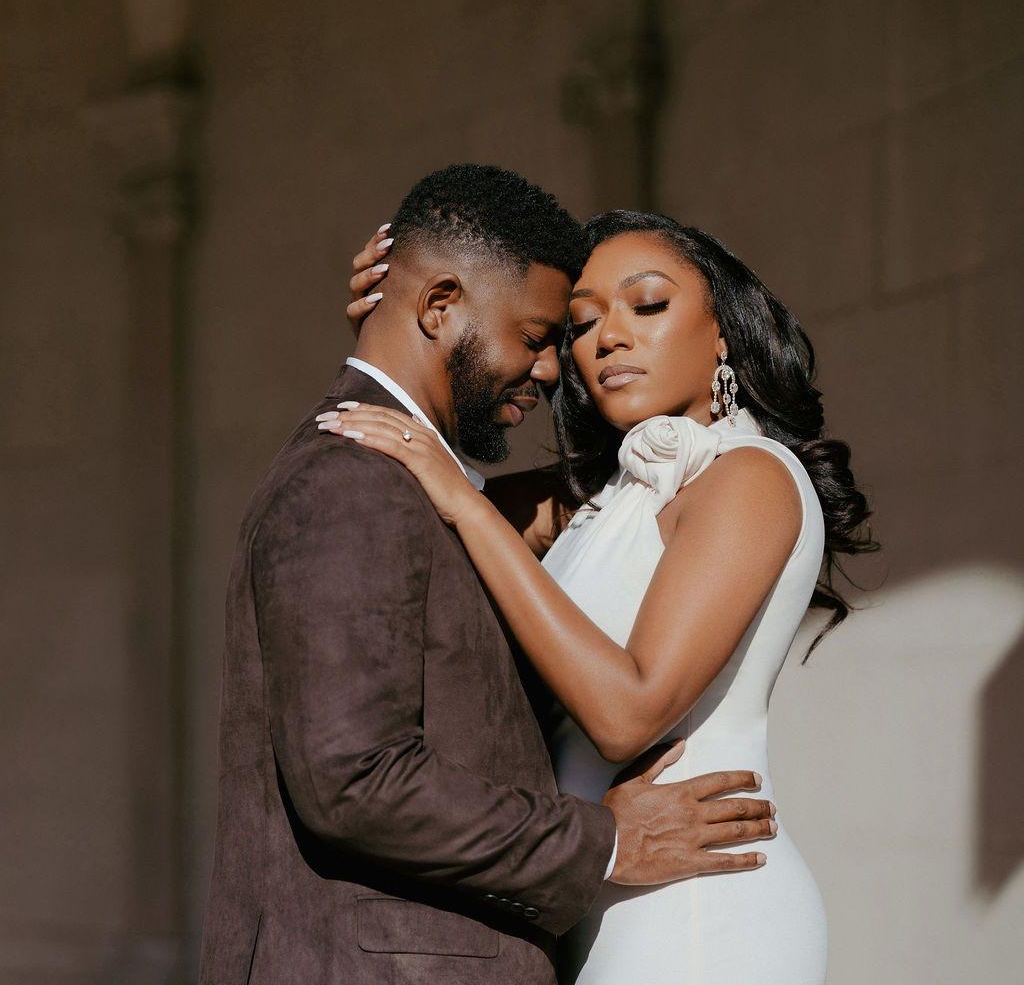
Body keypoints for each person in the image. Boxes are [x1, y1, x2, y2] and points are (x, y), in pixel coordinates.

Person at [199, 166, 777, 985]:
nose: (552, 370)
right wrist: (604, 843)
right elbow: (353, 781)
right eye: (539, 336)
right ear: (439, 306)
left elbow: (618, 500)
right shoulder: (350, 482)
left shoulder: (425, 485)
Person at [329, 207, 877, 983]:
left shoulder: (749, 477)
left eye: (647, 305)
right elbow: (400, 484)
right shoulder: (605, 497)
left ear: (723, 333)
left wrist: (465, 505)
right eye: (582, 324)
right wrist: (401, 327)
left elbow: (629, 713)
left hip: (700, 912)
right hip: (605, 897)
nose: (608, 338)